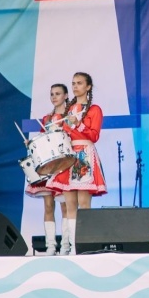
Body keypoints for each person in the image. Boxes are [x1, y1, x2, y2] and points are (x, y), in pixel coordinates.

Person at [47, 72, 106, 254]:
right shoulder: (68, 110)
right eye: (73, 83)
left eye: (79, 83)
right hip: (68, 156)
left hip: (84, 156)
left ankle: (83, 245)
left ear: (88, 87)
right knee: (70, 204)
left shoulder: (94, 109)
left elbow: (94, 135)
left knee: (83, 203)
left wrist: (77, 124)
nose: (75, 87)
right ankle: (72, 246)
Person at [24, 83, 69, 254]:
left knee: (65, 206)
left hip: (63, 164)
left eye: (58, 93)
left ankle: (66, 245)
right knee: (48, 206)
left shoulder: (70, 116)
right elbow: (43, 140)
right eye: (52, 94)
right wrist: (31, 143)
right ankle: (51, 245)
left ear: (66, 95)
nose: (54, 97)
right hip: (48, 166)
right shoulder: (46, 119)